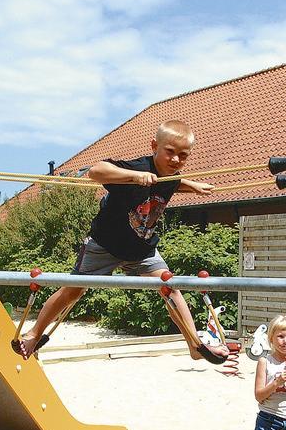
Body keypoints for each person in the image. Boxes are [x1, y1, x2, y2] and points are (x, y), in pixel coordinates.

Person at [14, 120, 228, 364]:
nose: (176, 160)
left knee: (170, 288)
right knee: (73, 290)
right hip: (105, 244)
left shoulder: (170, 177)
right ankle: (33, 334)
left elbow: (174, 183)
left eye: (183, 155)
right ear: (154, 146)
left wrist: (194, 186)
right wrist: (134, 177)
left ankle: (194, 345)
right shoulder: (138, 167)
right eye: (170, 152)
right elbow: (96, 171)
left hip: (141, 248)